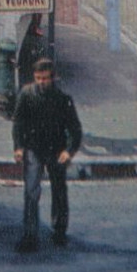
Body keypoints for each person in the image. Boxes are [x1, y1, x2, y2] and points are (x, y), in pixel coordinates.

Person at [11, 58, 83, 252]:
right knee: (31, 192)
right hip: (33, 149)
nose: (42, 82)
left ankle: (59, 231)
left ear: (53, 78)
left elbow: (75, 129)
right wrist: (18, 147)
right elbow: (18, 123)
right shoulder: (26, 95)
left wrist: (69, 151)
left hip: (56, 151)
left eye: (45, 78)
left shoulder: (63, 99)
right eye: (38, 78)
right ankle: (30, 235)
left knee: (59, 192)